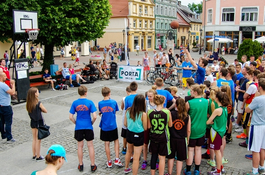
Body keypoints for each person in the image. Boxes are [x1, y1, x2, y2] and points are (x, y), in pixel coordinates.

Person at [69, 85, 97, 172]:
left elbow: (70, 116)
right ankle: (92, 165)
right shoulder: (90, 102)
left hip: (79, 127)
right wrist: (91, 122)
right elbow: (95, 116)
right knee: (90, 145)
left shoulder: (75, 103)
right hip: (88, 126)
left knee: (80, 146)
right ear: (86, 93)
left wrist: (75, 122)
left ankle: (80, 164)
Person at [185, 84, 208, 175]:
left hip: (192, 129)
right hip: (201, 129)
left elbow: (185, 115)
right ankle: (197, 169)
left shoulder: (189, 103)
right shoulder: (206, 101)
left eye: (191, 91)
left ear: (195, 92)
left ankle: (188, 169)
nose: (190, 92)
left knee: (190, 150)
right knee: (198, 149)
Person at [98, 87, 123, 168]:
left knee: (107, 143)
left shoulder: (100, 103)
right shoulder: (113, 102)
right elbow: (115, 111)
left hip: (104, 126)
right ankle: (117, 158)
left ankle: (109, 161)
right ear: (109, 93)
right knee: (116, 141)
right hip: (113, 125)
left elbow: (101, 112)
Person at [148, 95, 172, 175]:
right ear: (163, 102)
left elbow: (148, 126)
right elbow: (170, 125)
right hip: (163, 137)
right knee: (162, 158)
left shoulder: (150, 112)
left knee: (153, 156)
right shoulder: (167, 112)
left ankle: (152, 173)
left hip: (153, 137)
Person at [245, 78, 265, 175]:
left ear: (260, 87)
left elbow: (247, 110)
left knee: (255, 149)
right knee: (262, 148)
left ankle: (254, 170)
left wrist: (254, 98)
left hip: (257, 125)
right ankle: (262, 166)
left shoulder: (258, 99)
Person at [207, 91, 229, 175]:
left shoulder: (217, 110)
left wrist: (210, 121)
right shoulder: (225, 108)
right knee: (218, 150)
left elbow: (208, 122)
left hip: (215, 131)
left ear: (217, 99)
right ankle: (220, 167)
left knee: (217, 151)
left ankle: (218, 170)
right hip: (221, 131)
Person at [166, 98, 191, 175]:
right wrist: (188, 139)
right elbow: (188, 130)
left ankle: (169, 173)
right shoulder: (187, 116)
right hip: (182, 139)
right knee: (180, 159)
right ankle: (178, 173)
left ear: (175, 105)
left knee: (171, 157)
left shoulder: (171, 113)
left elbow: (169, 125)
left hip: (172, 138)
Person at [124, 94, 147, 174]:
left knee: (129, 151)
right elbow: (145, 127)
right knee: (136, 157)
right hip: (138, 134)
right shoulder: (143, 114)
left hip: (129, 133)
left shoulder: (128, 111)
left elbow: (125, 124)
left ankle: (126, 167)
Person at [26, 87, 47, 160]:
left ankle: (34, 154)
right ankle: (38, 155)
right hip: (39, 122)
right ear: (35, 94)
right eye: (37, 92)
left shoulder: (29, 103)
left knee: (34, 139)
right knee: (38, 139)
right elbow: (45, 110)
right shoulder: (38, 103)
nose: (38, 93)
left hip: (33, 121)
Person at [141, 89, 157, 170]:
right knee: (145, 144)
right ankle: (144, 159)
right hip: (146, 126)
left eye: (150, 96)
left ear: (154, 96)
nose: (149, 98)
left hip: (155, 126)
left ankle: (154, 159)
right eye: (148, 96)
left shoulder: (158, 104)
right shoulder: (145, 102)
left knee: (154, 144)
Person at [0, 72, 16, 143]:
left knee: (1, 121)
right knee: (8, 122)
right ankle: (9, 137)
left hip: (0, 105)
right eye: (4, 76)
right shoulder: (3, 85)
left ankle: (3, 135)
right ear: (1, 77)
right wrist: (13, 84)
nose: (6, 77)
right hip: (6, 106)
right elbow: (12, 92)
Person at [121, 86, 132, 155]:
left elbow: (122, 108)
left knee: (124, 135)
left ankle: (124, 147)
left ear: (126, 91)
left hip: (125, 117)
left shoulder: (124, 98)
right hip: (131, 118)